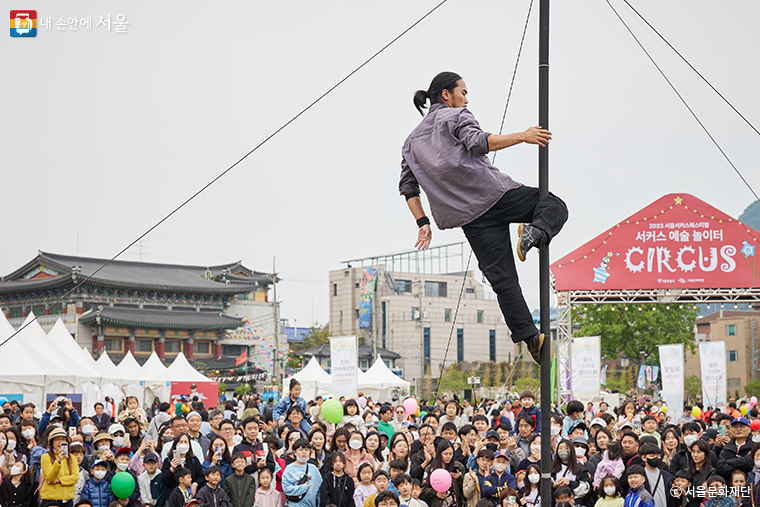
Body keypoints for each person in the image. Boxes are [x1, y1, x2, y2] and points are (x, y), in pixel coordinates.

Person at [400, 72, 566, 363]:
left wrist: (422, 223)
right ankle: (535, 232)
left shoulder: (410, 143)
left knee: (503, 282)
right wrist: (523, 136)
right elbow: (479, 142)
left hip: (469, 218)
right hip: (495, 195)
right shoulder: (456, 116)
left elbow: (408, 188)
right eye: (462, 92)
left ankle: (530, 338)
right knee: (553, 205)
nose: (466, 97)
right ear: (446, 95)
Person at [40, 427, 80, 507]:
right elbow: (50, 478)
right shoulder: (46, 457)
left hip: (67, 501)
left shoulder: (71, 458)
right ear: (51, 442)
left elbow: (75, 477)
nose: (60, 442)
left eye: (63, 439)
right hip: (51, 501)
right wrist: (57, 462)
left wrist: (59, 480)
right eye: (57, 439)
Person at [282, 438, 322, 507]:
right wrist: (303, 488)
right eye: (300, 450)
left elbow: (319, 491)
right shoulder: (289, 469)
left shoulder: (314, 469)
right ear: (294, 452)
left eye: (306, 450)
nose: (304, 452)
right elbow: (286, 489)